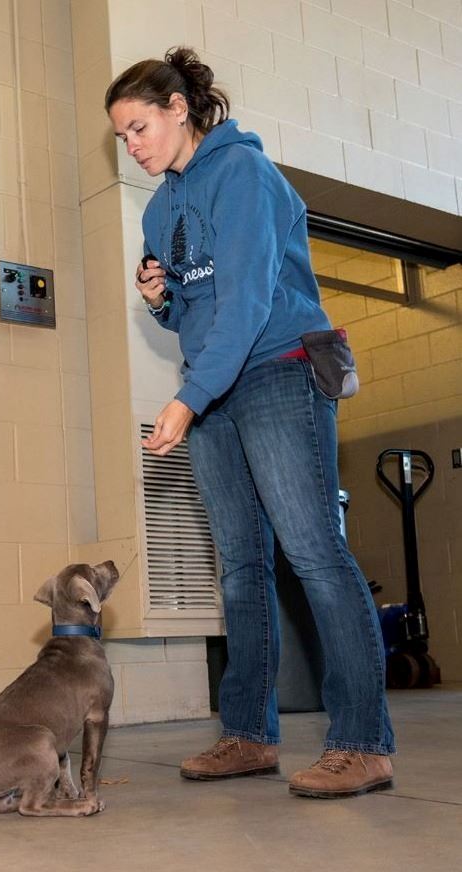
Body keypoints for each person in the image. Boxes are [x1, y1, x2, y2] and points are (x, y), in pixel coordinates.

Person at [105, 47, 395, 798]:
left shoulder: (245, 176)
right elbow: (196, 314)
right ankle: (247, 736)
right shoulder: (163, 205)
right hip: (216, 388)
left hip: (278, 372)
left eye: (140, 127)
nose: (131, 145)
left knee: (315, 554)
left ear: (179, 110)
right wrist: (162, 299)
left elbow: (247, 305)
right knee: (238, 567)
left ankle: (363, 741)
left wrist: (185, 398)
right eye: (121, 137)